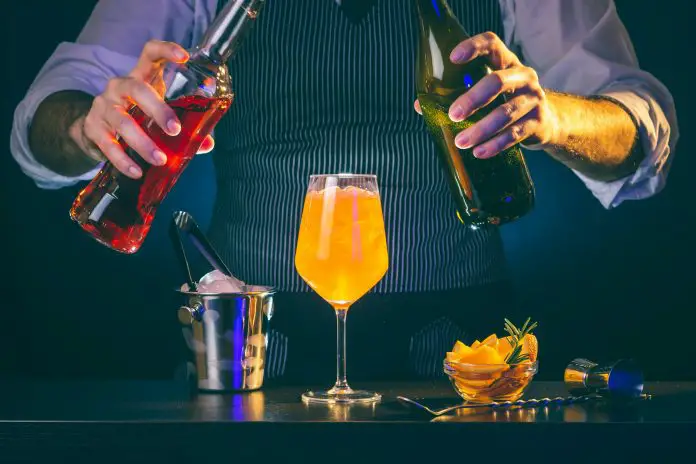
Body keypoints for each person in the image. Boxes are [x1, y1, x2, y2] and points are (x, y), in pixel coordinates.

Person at [10, 0, 678, 383]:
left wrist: (554, 115)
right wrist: (86, 121)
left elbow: (641, 134)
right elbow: (44, 121)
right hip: (248, 365)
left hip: (466, 368)